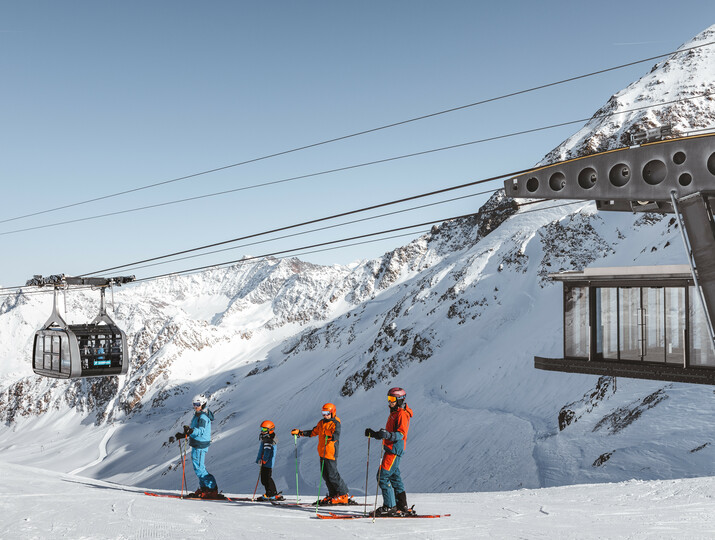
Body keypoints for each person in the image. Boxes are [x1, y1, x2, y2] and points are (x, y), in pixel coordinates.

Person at [364, 387, 414, 516]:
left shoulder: (401, 414)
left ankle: (390, 506)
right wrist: (375, 434)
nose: (389, 402)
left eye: (392, 399)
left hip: (393, 451)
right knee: (394, 477)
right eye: (388, 399)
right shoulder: (394, 412)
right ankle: (402, 505)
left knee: (382, 476)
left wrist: (388, 435)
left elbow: (401, 434)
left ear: (399, 400)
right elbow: (389, 433)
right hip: (391, 449)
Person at [291, 403, 351, 505]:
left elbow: (336, 435)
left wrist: (330, 435)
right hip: (322, 453)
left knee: (333, 474)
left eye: (327, 413)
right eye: (323, 413)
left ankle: (343, 495)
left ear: (332, 412)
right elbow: (313, 432)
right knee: (325, 475)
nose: (325, 415)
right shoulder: (321, 423)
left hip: (331, 452)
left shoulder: (335, 423)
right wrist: (300, 432)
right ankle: (333, 495)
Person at [175, 393, 222, 499]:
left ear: (203, 404)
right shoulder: (197, 415)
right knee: (198, 468)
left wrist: (190, 431)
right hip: (196, 443)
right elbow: (195, 429)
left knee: (200, 468)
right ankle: (204, 488)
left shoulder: (203, 417)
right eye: (194, 404)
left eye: (197, 404)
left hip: (200, 444)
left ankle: (211, 489)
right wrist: (184, 434)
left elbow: (200, 430)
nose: (195, 406)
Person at [255, 420, 284, 501]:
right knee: (265, 478)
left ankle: (271, 494)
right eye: (261, 429)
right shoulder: (267, 438)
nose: (262, 431)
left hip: (267, 462)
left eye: (264, 429)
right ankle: (270, 493)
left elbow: (267, 451)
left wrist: (263, 460)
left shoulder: (268, 439)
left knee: (266, 478)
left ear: (270, 430)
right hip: (267, 462)